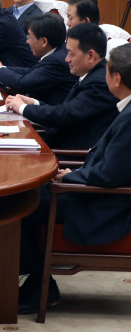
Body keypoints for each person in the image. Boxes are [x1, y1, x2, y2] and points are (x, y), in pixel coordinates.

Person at [18, 43, 131, 314]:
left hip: (104, 204)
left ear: (116, 77)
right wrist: (75, 175)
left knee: (21, 204)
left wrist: (73, 177)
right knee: (26, 195)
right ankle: (36, 281)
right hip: (92, 189)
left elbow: (111, 174)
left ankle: (40, 287)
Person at [6, 22, 118, 149]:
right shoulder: (92, 73)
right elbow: (66, 109)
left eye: (71, 54)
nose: (66, 59)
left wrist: (23, 108)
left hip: (68, 154)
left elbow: (66, 115)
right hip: (56, 144)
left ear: (91, 56)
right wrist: (34, 103)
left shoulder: (101, 82)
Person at [0, 13, 75, 105]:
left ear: (44, 41)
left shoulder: (57, 60)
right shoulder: (59, 50)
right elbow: (32, 72)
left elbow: (24, 84)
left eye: (29, 37)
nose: (27, 41)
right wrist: (0, 68)